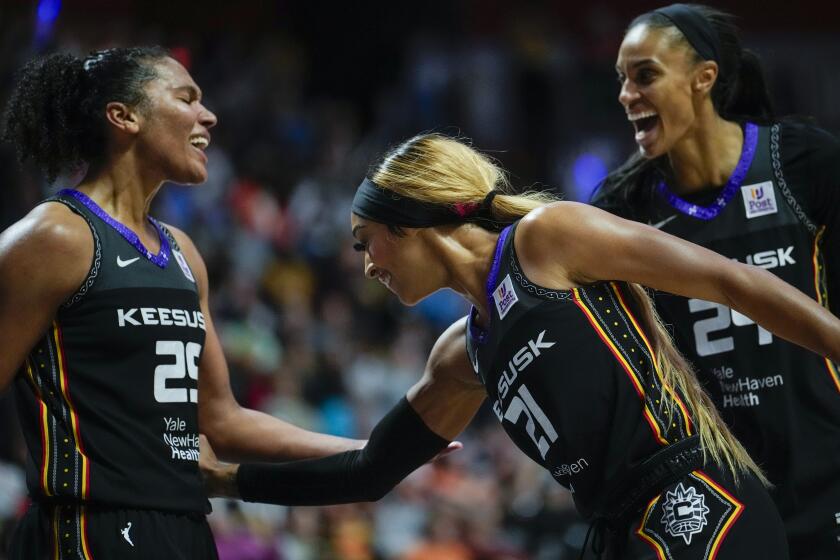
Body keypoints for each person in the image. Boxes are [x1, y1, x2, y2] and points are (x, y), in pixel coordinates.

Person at [201, 133, 840, 559]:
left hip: (695, 498)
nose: (367, 267)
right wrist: (224, 481)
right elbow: (371, 471)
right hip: (617, 527)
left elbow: (730, 278)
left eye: (366, 242)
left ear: (412, 221)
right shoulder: (462, 354)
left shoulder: (546, 240)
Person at [0, 47, 369, 559]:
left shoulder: (182, 254)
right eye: (187, 98)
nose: (209, 115)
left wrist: (374, 451)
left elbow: (223, 422)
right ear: (123, 116)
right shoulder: (54, 236)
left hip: (187, 528)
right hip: (88, 530)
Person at [589, 4, 840, 557]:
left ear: (704, 77)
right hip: (719, 489)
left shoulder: (803, 162)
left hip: (827, 465)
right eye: (622, 80)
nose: (627, 94)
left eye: (645, 75)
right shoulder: (620, 208)